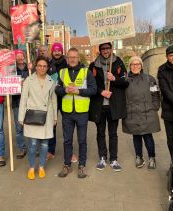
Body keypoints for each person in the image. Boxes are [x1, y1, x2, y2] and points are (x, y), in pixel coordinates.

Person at [55, 48, 97, 178]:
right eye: (70, 57)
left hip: (81, 112)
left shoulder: (86, 72)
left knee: (82, 140)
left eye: (74, 57)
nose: (72, 59)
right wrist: (65, 90)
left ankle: (82, 166)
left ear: (78, 58)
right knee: (67, 140)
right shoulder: (62, 72)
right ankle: (67, 164)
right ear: (67, 58)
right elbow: (57, 90)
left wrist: (79, 91)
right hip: (67, 112)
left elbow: (93, 89)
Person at [88, 42, 128, 172]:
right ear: (100, 51)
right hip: (99, 105)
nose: (106, 51)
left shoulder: (118, 62)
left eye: (107, 48)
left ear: (111, 49)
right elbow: (90, 84)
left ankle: (114, 159)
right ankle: (102, 157)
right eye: (103, 49)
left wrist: (114, 78)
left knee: (113, 133)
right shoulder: (93, 65)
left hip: (113, 105)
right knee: (100, 133)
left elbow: (126, 82)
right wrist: (101, 91)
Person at [19, 56, 57, 180]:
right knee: (33, 144)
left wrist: (55, 117)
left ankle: (41, 166)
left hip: (47, 116)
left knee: (45, 144)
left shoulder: (51, 81)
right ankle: (31, 167)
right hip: (32, 115)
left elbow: (53, 100)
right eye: (40, 65)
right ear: (36, 67)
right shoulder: (29, 81)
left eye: (44, 66)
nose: (42, 68)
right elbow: (23, 99)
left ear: (47, 68)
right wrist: (21, 117)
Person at [122, 56, 161, 169]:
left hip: (147, 112)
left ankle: (152, 158)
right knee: (136, 136)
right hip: (132, 113)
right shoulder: (125, 80)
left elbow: (156, 94)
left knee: (148, 136)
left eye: (137, 64)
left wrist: (155, 107)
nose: (135, 66)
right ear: (129, 66)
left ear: (141, 66)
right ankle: (139, 156)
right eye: (133, 64)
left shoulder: (150, 79)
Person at [46, 42, 67, 160]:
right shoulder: (48, 64)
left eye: (59, 50)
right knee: (52, 125)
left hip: (65, 98)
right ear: (52, 52)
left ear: (62, 51)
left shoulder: (67, 64)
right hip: (52, 98)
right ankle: (51, 150)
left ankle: (68, 150)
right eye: (55, 50)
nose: (57, 52)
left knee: (67, 125)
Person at [12, 49, 30, 159]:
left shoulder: (30, 69)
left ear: (24, 57)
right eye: (17, 56)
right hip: (17, 101)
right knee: (19, 127)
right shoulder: (11, 70)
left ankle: (34, 147)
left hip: (30, 102)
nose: (19, 58)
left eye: (21, 56)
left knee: (32, 125)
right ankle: (22, 148)